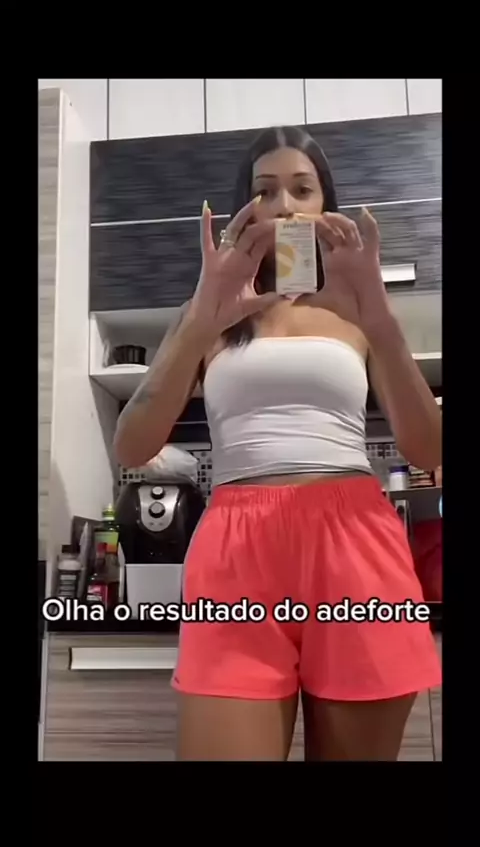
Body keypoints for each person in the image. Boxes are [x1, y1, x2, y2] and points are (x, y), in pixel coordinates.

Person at [114, 126, 442, 761]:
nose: (285, 207)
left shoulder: (357, 307)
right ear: (245, 209)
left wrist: (378, 320)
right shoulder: (209, 309)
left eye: (302, 189)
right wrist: (201, 320)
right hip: (235, 554)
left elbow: (429, 452)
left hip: (355, 548)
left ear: (325, 205)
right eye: (266, 191)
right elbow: (132, 447)